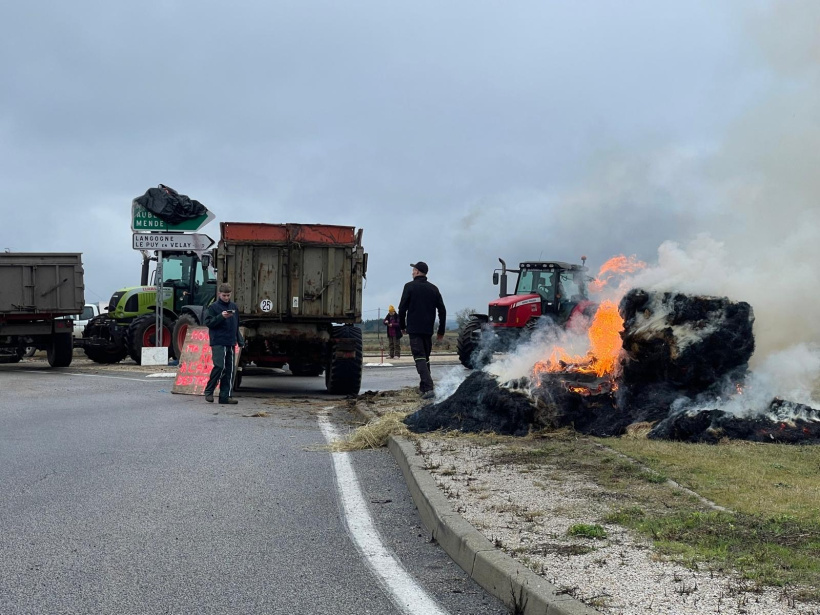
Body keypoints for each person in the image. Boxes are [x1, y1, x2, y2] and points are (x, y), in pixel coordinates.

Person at [398, 262, 446, 400]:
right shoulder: (434, 289)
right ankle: (424, 387)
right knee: (425, 358)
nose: (412, 272)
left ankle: (429, 387)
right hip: (428, 329)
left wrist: (402, 326)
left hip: (414, 329)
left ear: (418, 272)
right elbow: (442, 310)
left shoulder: (409, 287)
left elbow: (402, 309)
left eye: (413, 270)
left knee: (419, 357)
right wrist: (441, 330)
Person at [203, 283, 245, 405]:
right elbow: (209, 323)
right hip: (218, 341)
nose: (226, 297)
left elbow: (236, 325)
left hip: (230, 341)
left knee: (230, 370)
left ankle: (225, 396)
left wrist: (240, 340)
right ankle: (209, 390)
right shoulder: (213, 307)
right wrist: (221, 316)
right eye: (224, 295)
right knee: (219, 367)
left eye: (228, 295)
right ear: (219, 294)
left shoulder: (234, 307)